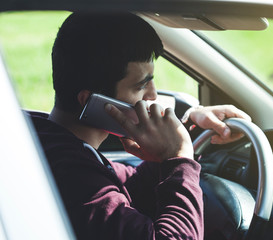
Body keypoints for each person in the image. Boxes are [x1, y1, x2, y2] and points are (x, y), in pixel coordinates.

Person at [29, 12, 251, 240]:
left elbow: (130, 185)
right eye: (140, 86)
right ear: (91, 101)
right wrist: (180, 158)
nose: (153, 95)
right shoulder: (74, 179)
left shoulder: (47, 139)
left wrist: (191, 131)